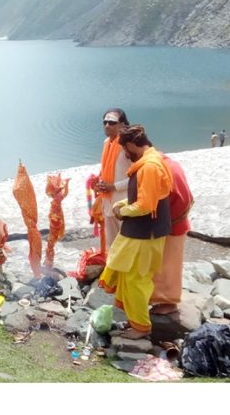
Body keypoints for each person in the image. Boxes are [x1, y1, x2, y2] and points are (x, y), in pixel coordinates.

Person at [98, 125, 173, 340]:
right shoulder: (154, 160)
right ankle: (135, 320)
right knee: (127, 274)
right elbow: (148, 196)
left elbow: (145, 205)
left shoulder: (149, 166)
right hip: (143, 232)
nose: (125, 155)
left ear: (131, 146)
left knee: (136, 280)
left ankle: (141, 327)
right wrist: (123, 203)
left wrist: (123, 211)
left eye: (125, 150)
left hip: (144, 233)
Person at [150, 154, 194, 315]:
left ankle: (168, 302)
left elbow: (180, 200)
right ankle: (160, 299)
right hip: (174, 223)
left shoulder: (163, 170)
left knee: (168, 266)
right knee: (166, 264)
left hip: (173, 225)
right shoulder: (170, 165)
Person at [95, 108, 131, 248]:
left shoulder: (128, 145)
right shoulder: (106, 143)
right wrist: (99, 182)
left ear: (122, 124)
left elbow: (138, 176)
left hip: (124, 203)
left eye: (112, 122)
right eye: (105, 122)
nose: (107, 125)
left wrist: (114, 186)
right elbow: (105, 169)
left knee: (126, 243)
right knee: (112, 245)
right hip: (107, 201)